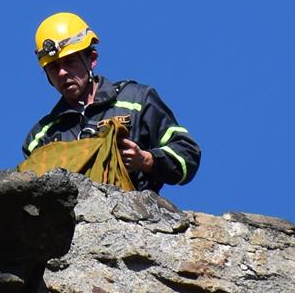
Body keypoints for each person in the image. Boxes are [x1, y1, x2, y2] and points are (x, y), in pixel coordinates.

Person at [19, 12, 200, 192]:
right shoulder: (40, 137)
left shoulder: (136, 101)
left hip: (130, 215)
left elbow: (188, 154)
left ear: (92, 59)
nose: (62, 73)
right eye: (53, 67)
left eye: (70, 62)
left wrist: (146, 160)